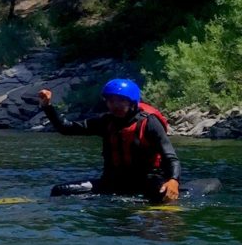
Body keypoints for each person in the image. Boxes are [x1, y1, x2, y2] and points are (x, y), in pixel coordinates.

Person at [38, 80, 181, 203]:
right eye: (111, 101)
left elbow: (170, 157)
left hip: (146, 182)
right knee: (59, 190)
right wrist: (47, 106)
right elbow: (66, 128)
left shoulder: (149, 123)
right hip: (113, 182)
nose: (115, 105)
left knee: (163, 196)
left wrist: (173, 180)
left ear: (132, 103)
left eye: (121, 101)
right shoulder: (106, 122)